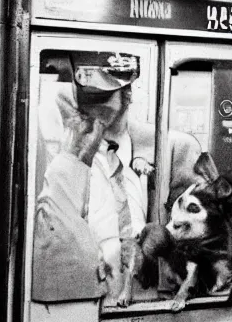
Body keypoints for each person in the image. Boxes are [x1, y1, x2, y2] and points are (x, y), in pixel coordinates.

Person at [31, 58, 201, 303]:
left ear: (128, 93)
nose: (90, 103)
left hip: (152, 301)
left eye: (102, 94)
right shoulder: (57, 152)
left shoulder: (175, 148)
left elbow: (201, 240)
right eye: (84, 95)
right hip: (86, 301)